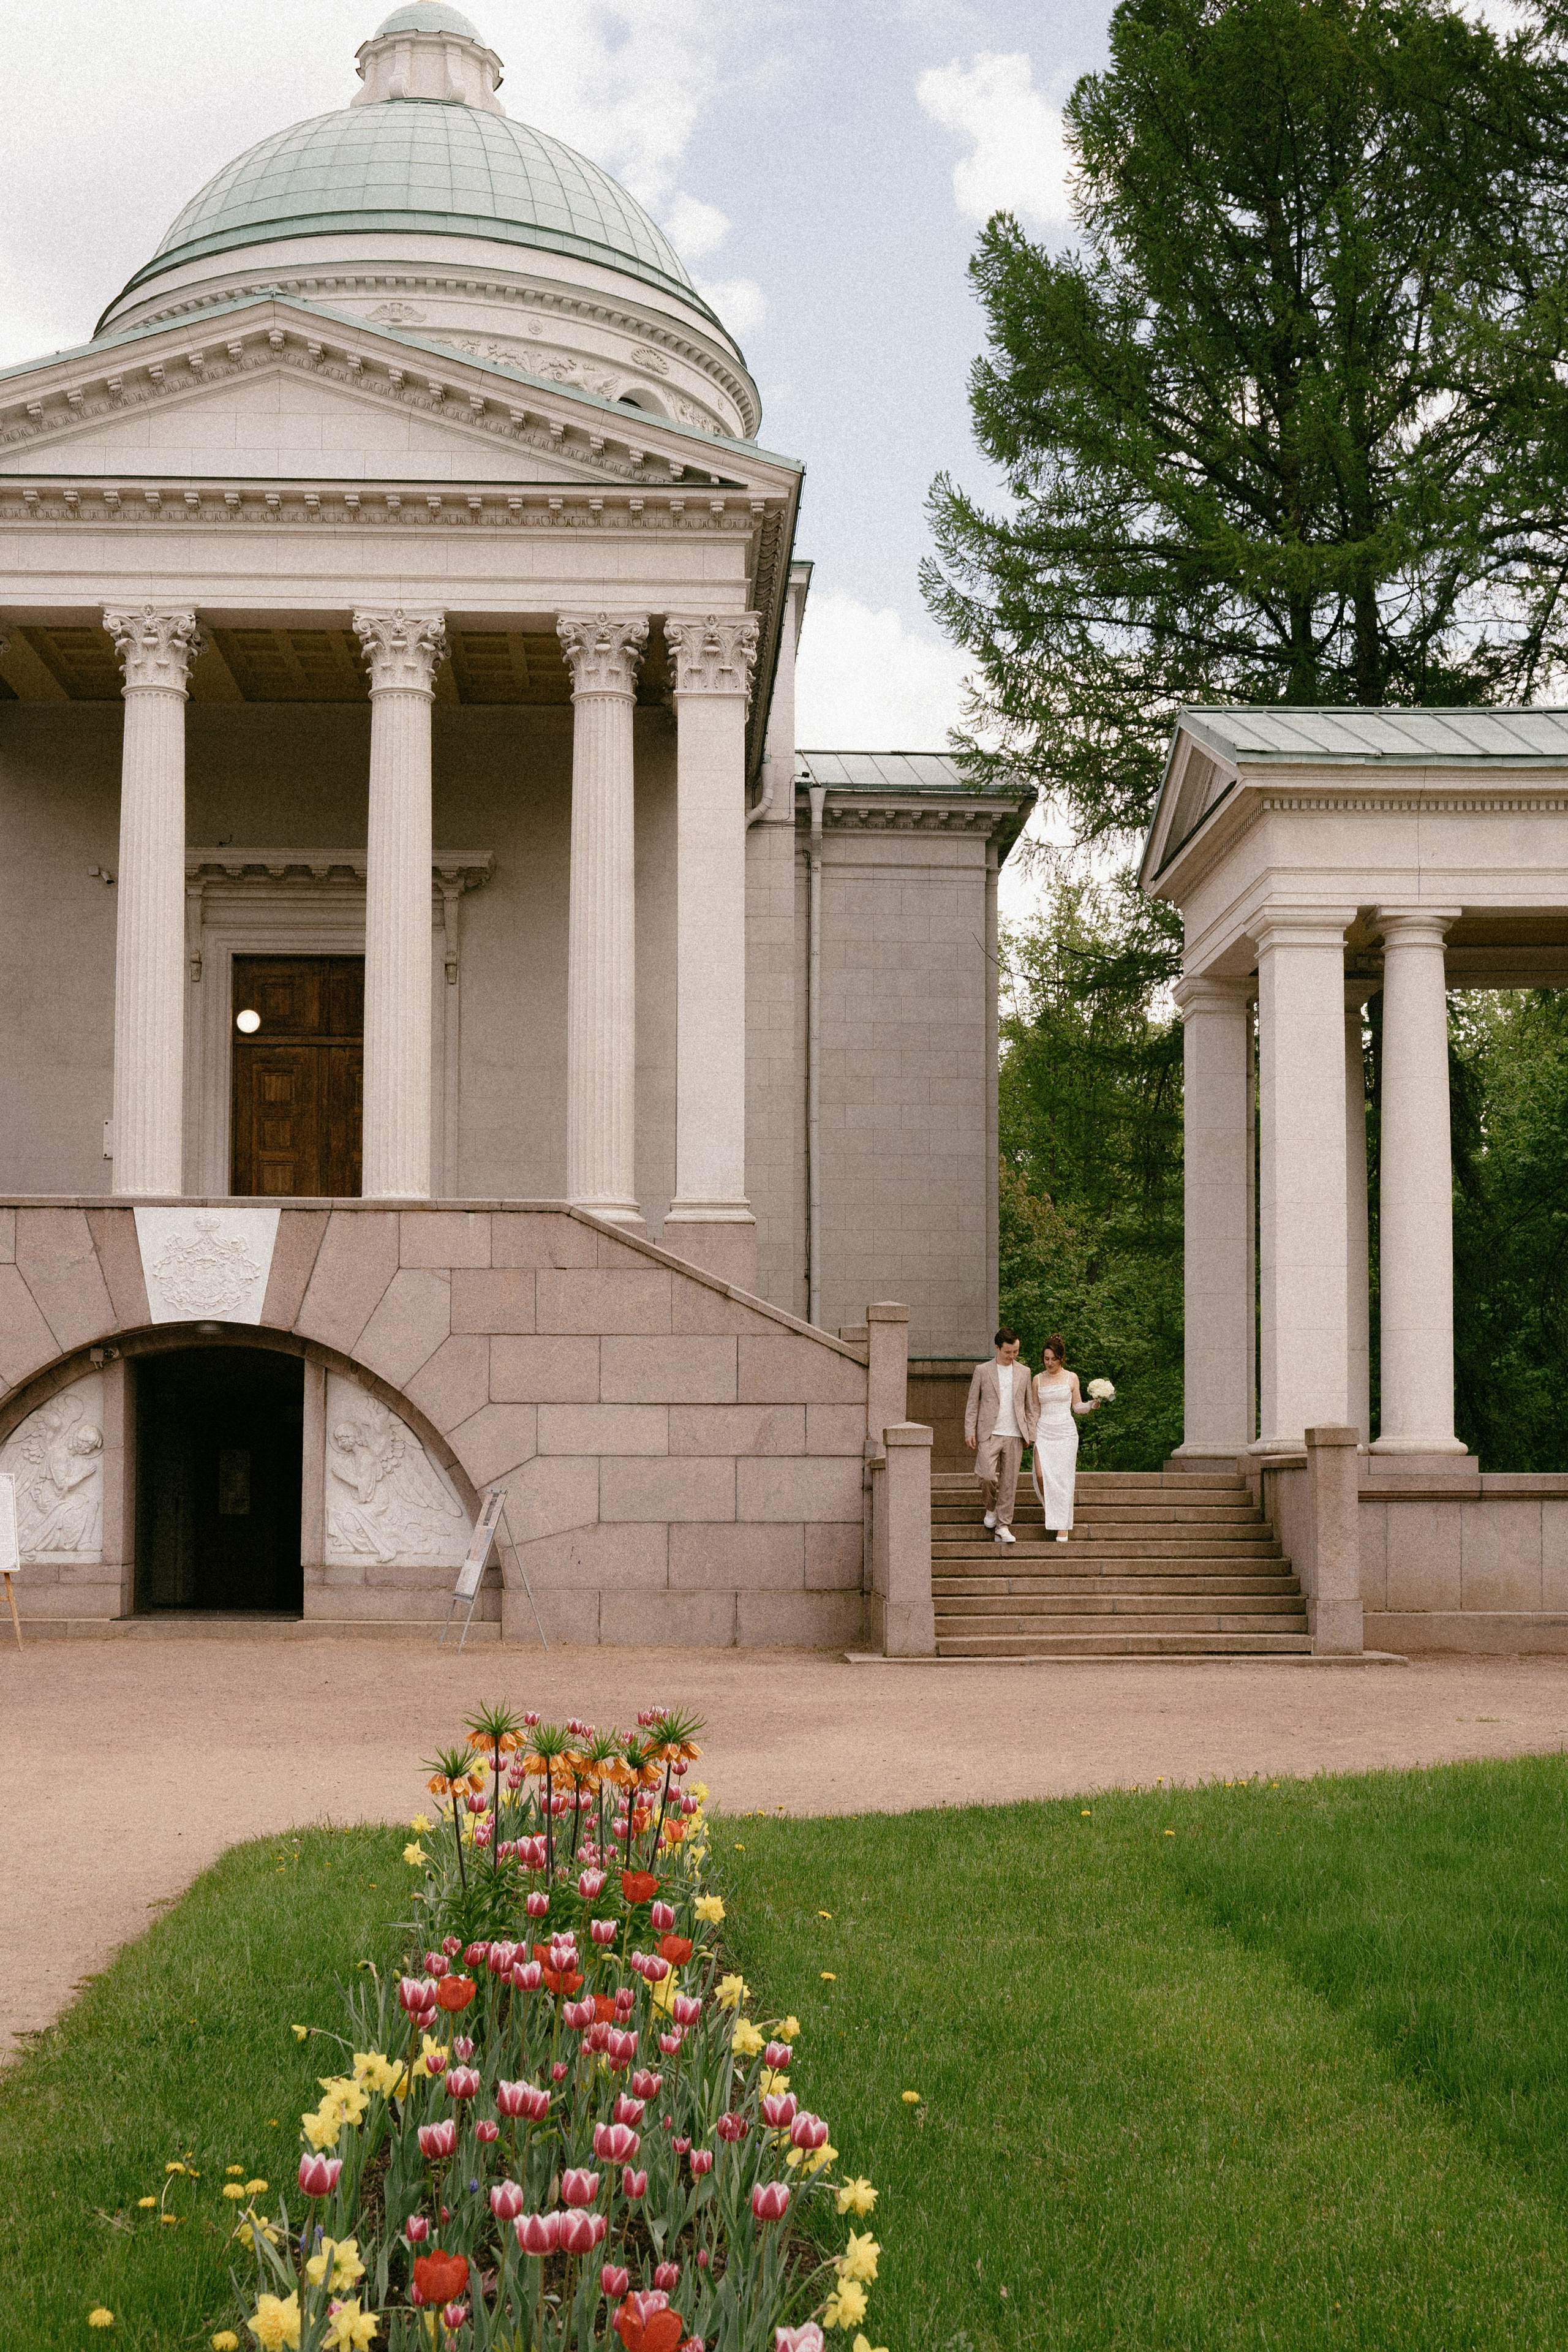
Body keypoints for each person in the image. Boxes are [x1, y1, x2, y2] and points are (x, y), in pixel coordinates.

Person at [964, 1327, 1040, 1546]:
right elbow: (972, 1403)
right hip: (989, 1432)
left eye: (1016, 1351)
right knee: (987, 1475)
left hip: (1016, 1433)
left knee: (1010, 1482)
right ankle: (991, 1508)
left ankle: (1003, 1526)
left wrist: (1030, 1433)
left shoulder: (1024, 1372)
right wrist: (970, 1430)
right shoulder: (982, 1370)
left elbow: (1029, 1406)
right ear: (998, 1348)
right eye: (1008, 1352)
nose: (1013, 1356)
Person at [1030, 1335, 1104, 1542]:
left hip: (1065, 1433)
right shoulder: (1037, 1379)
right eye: (1046, 1359)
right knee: (1041, 1476)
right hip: (1044, 1431)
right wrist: (1030, 1433)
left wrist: (1090, 1405)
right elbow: (1035, 1409)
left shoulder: (1071, 1378)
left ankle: (1062, 1525)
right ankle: (1053, 1512)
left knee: (1063, 1480)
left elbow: (1077, 1406)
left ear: (1061, 1358)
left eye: (1054, 1359)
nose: (1050, 1363)